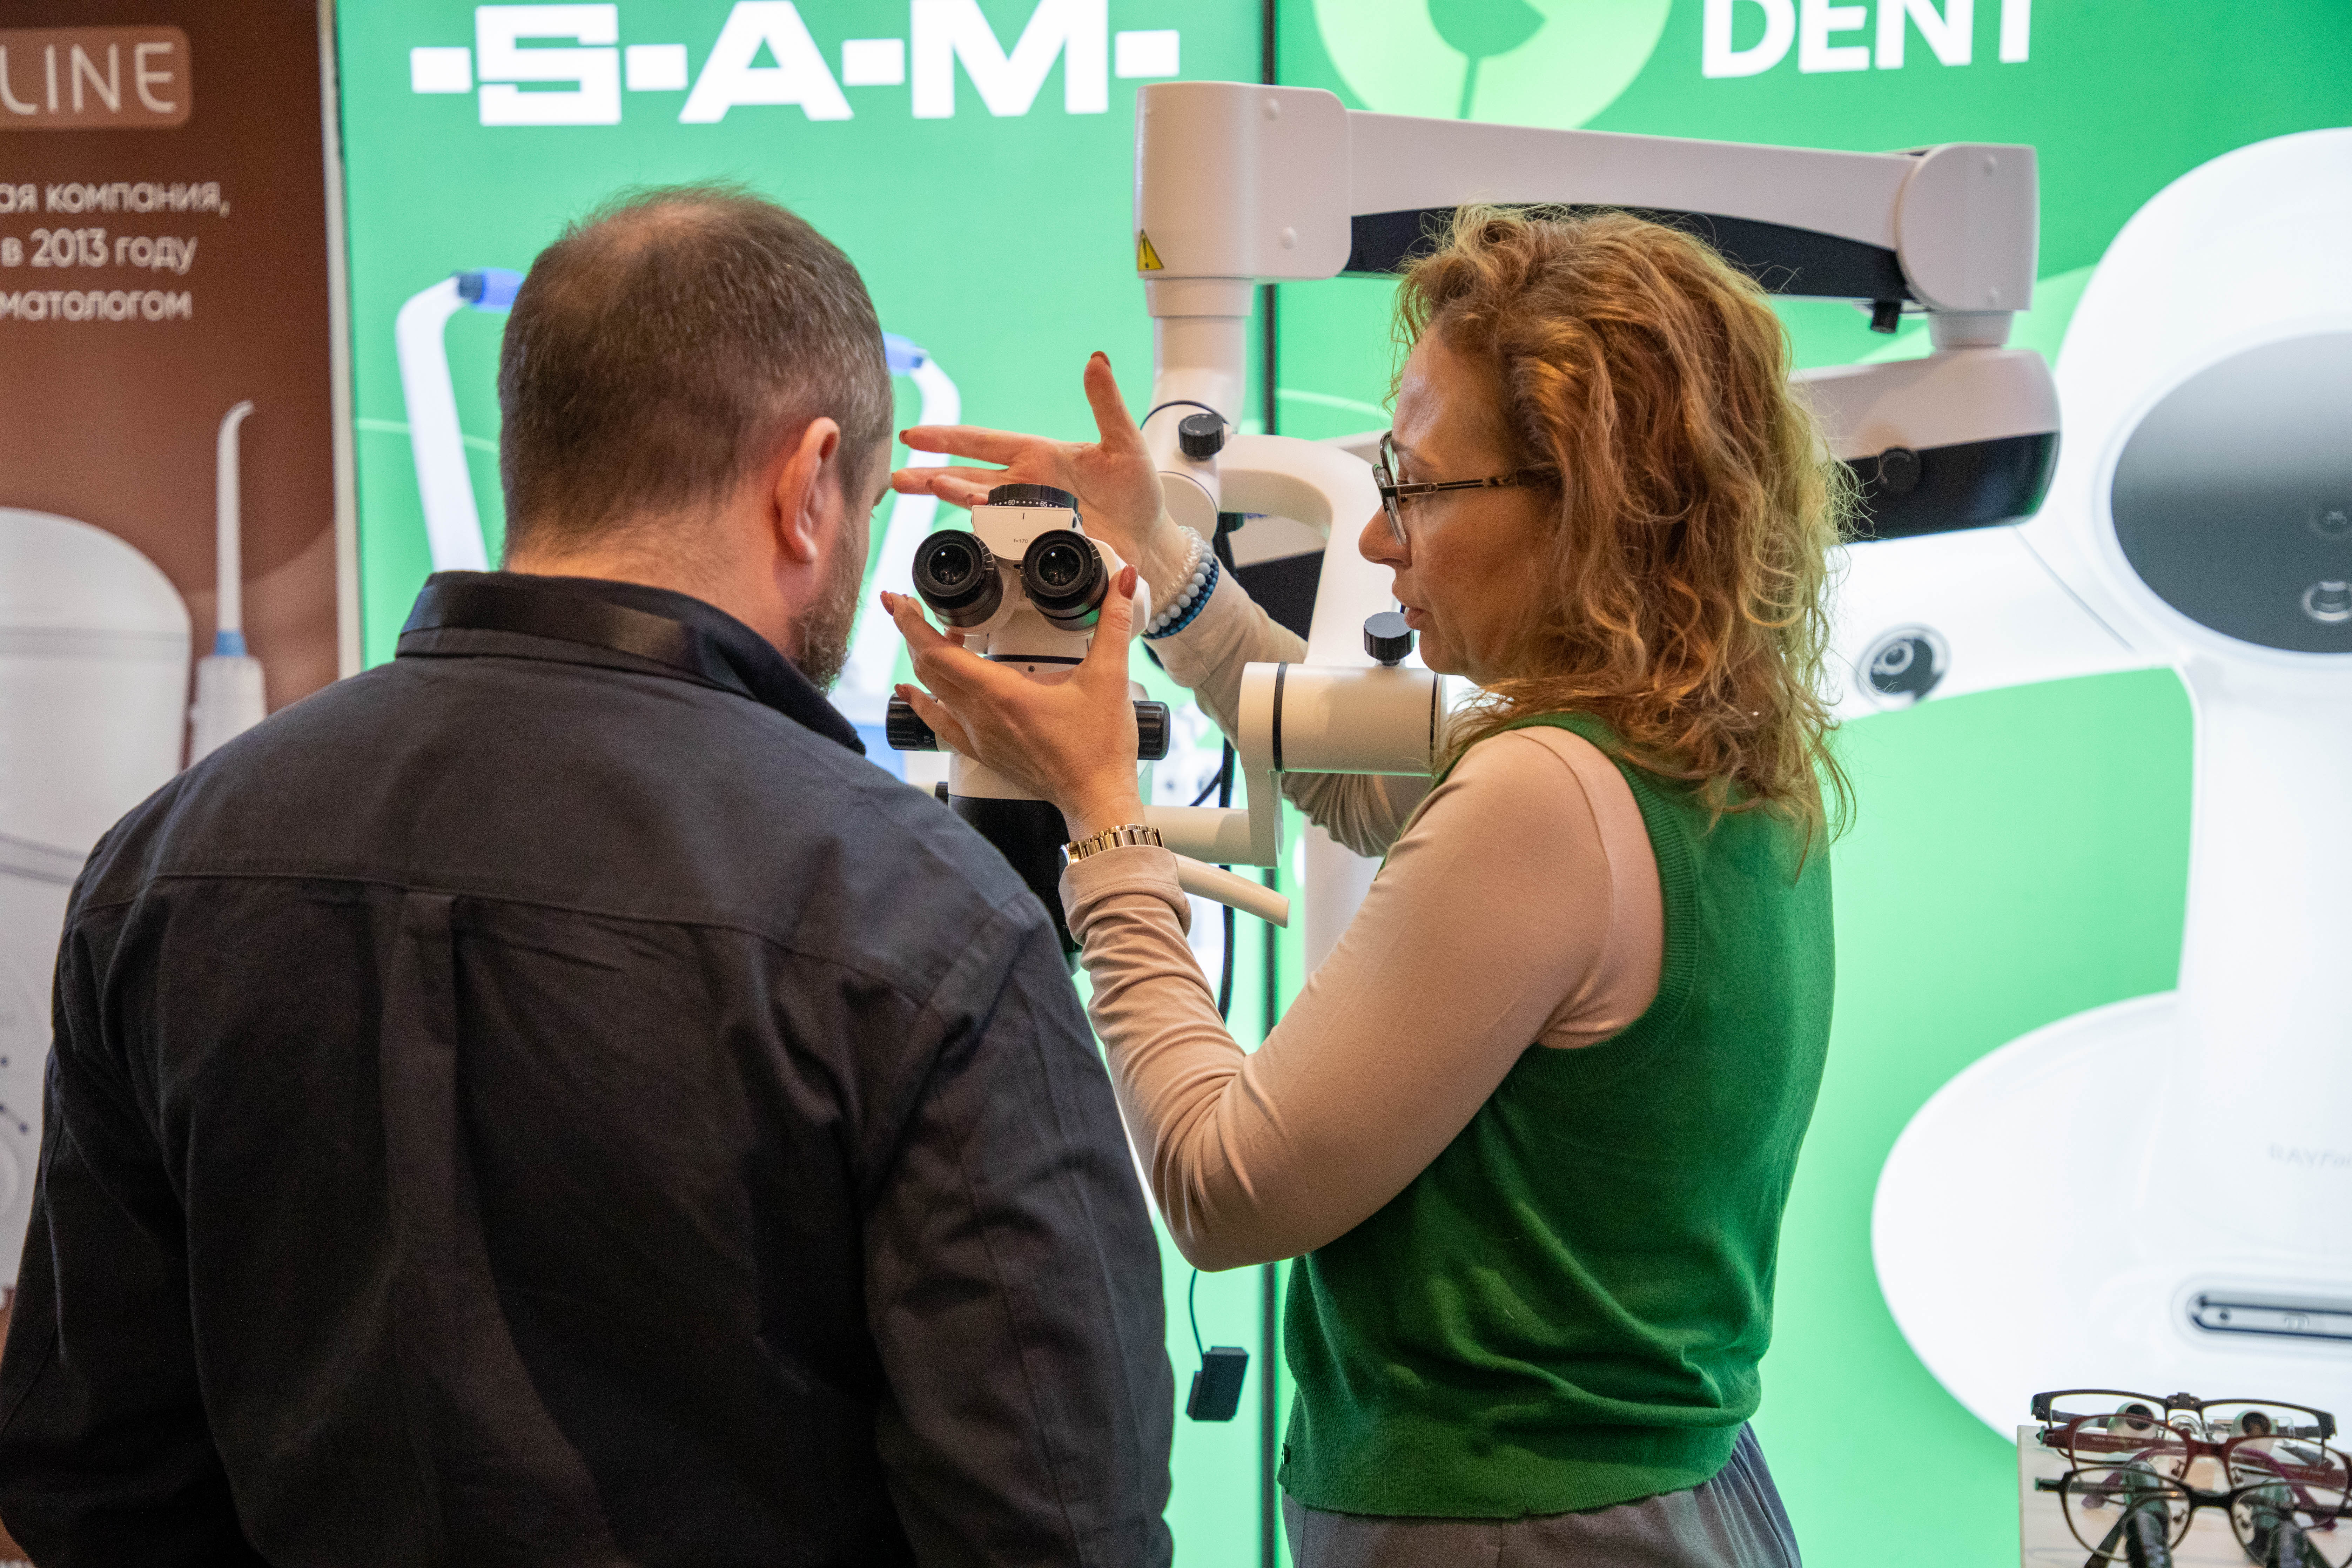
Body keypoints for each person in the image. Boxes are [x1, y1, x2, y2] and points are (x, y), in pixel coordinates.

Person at [0, 185, 1172, 1568]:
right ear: (807, 486)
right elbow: (1050, 1524)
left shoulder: (163, 867)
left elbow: (94, 1480)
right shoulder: (922, 919)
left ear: (536, 451)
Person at [885, 208, 1847, 1567]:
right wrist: (1154, 549)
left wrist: (1099, 821)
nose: (1385, 543)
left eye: (1420, 488)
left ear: (1584, 503)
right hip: (1657, 1498)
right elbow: (1345, 769)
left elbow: (1223, 1188)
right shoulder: (1697, 755)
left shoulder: (1546, 795)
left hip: (1517, 1525)